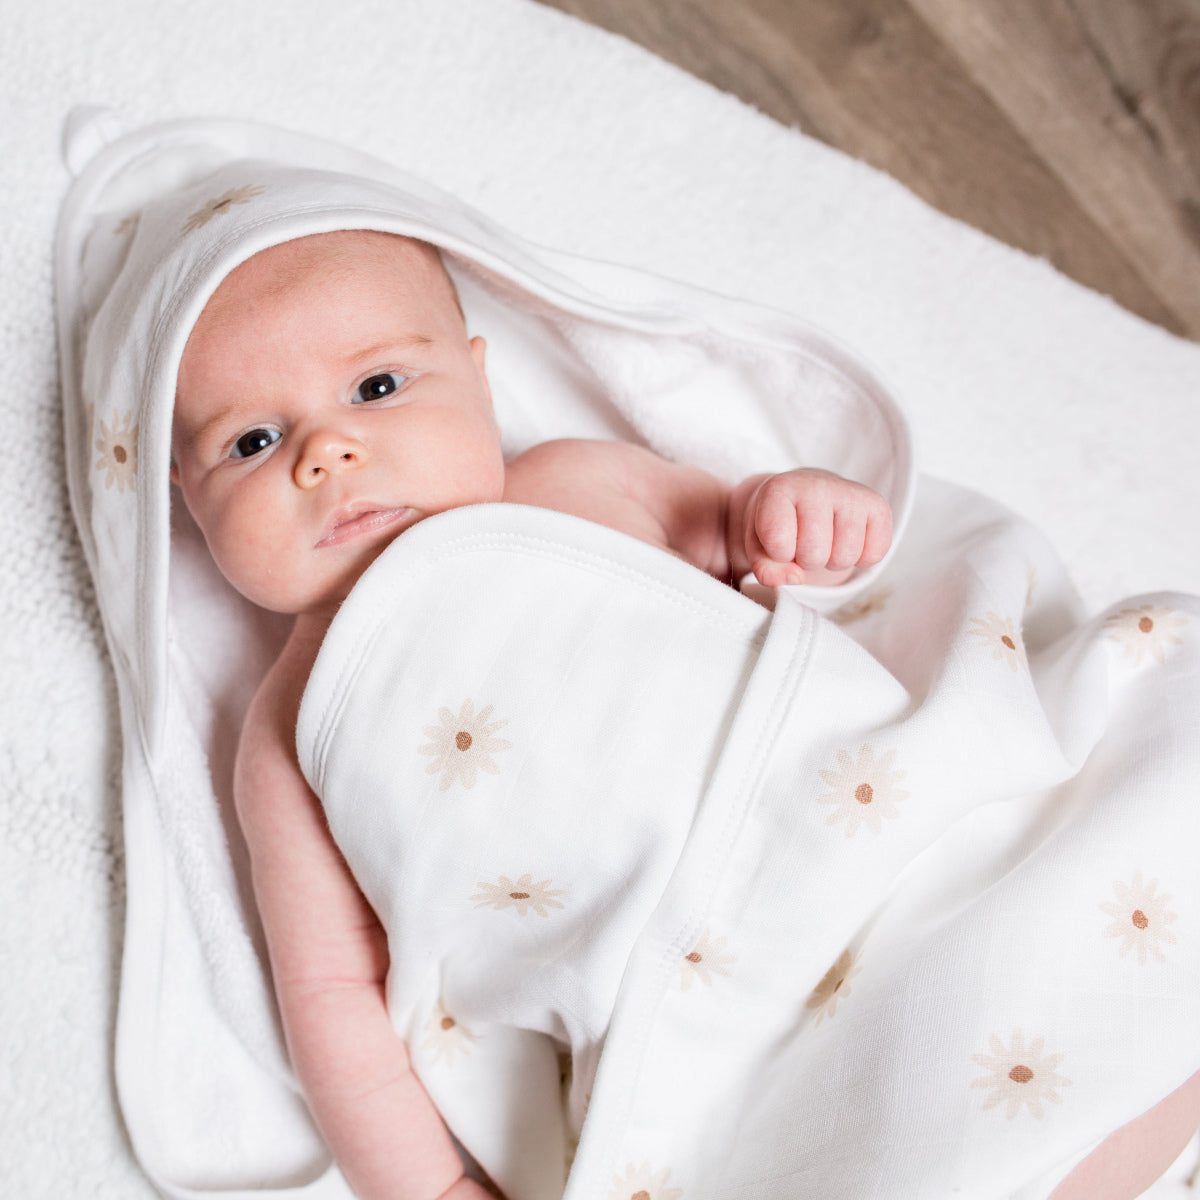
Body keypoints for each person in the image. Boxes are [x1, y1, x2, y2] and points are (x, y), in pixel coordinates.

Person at [169, 227, 1199, 1200]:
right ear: (188, 498)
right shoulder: (292, 728)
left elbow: (757, 548)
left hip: (860, 826)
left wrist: (797, 513)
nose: (326, 452)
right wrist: (430, 1183)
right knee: (879, 1111)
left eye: (378, 386)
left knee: (1064, 916)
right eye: (252, 441)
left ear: (479, 380)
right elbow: (332, 996)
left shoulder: (569, 486)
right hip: (689, 996)